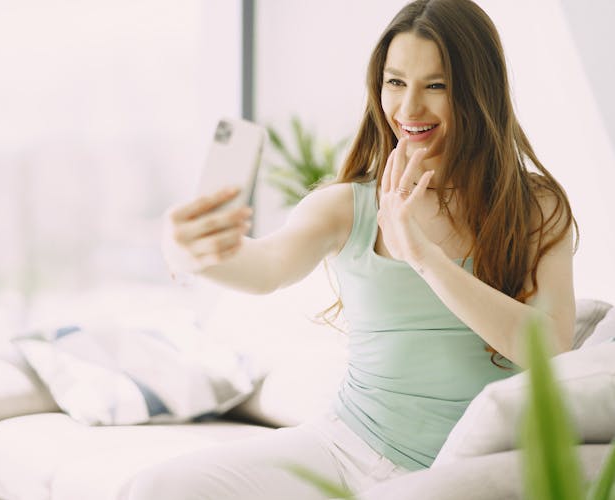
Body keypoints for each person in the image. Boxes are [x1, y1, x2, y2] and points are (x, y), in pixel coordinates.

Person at [123, 0, 577, 498]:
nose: (409, 108)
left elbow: (550, 347)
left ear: (479, 91)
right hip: (346, 444)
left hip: (460, 471)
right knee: (156, 485)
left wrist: (424, 258)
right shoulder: (347, 206)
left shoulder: (534, 207)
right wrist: (194, 251)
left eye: (437, 85)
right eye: (395, 82)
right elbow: (268, 266)